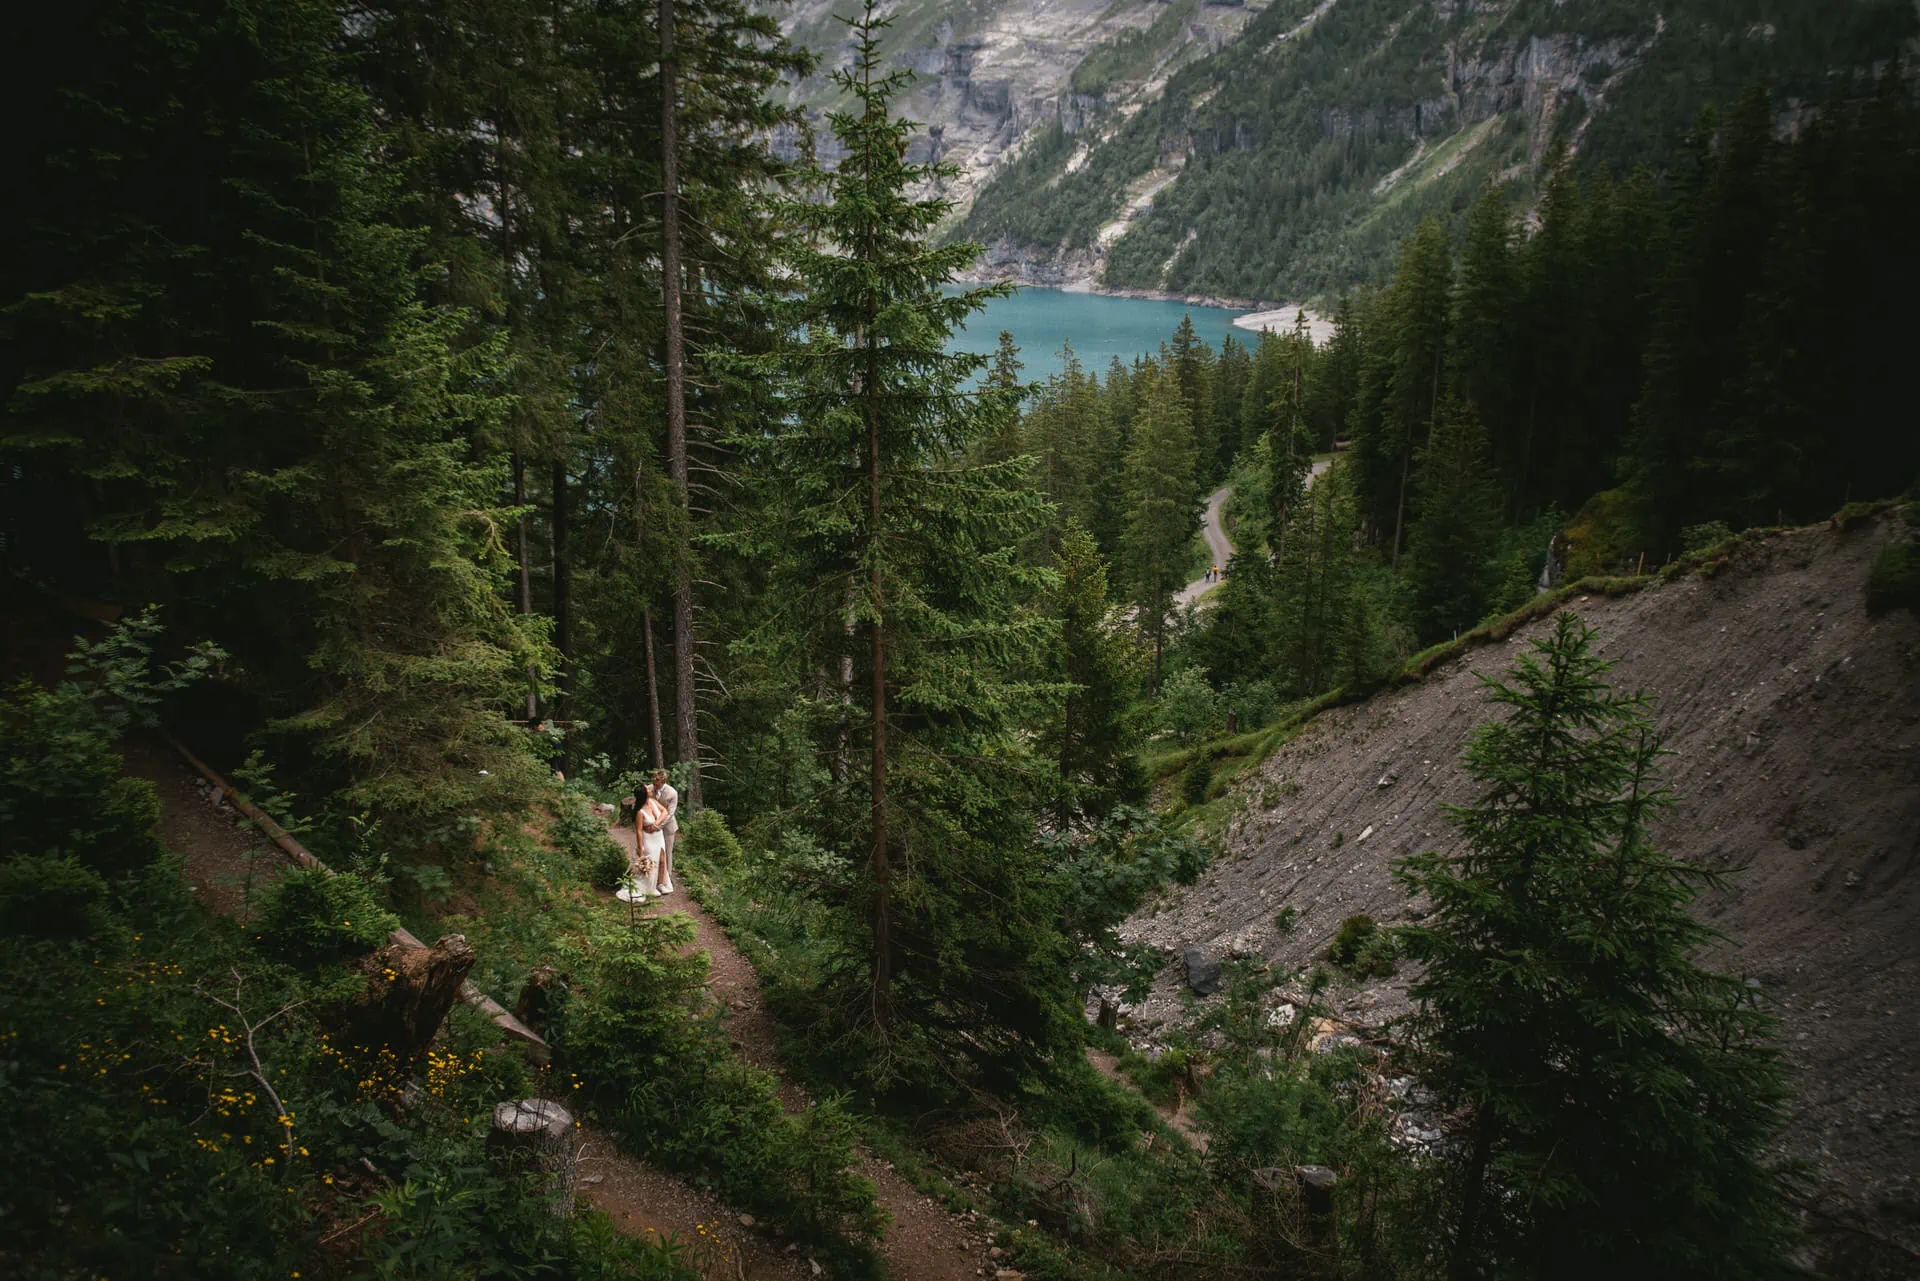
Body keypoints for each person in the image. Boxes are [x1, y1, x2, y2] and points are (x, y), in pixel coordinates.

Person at [617, 790, 668, 903]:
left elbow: (665, 811)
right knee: (650, 862)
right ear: (644, 794)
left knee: (662, 860)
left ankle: (659, 884)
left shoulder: (653, 801)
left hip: (659, 836)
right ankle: (648, 887)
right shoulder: (640, 812)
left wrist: (655, 824)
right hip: (648, 839)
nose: (650, 790)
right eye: (648, 789)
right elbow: (639, 831)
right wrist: (641, 847)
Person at [645, 769, 679, 894]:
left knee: (667, 851)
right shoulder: (649, 789)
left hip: (667, 826)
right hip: (652, 825)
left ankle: (667, 878)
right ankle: (652, 877)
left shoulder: (672, 793)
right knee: (654, 850)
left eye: (657, 782)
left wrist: (659, 825)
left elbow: (670, 813)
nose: (654, 783)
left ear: (663, 781)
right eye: (653, 781)